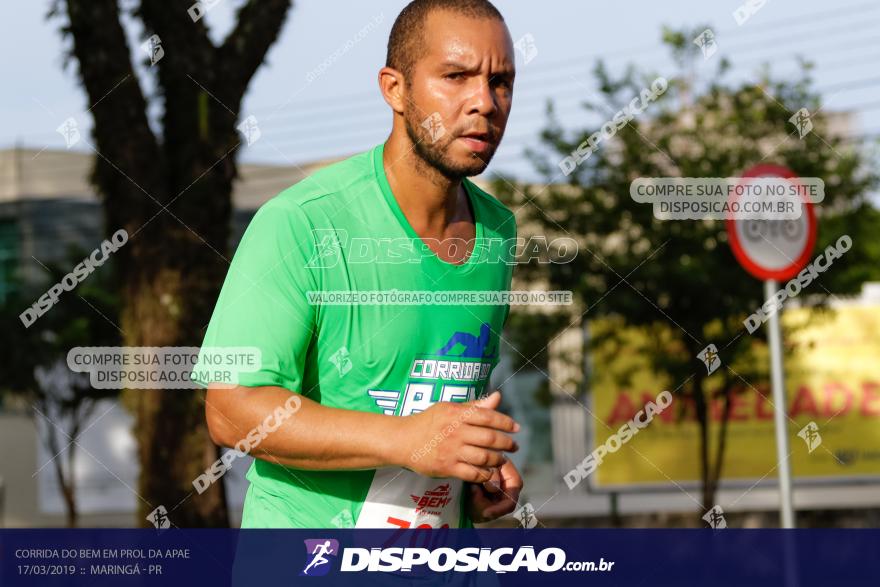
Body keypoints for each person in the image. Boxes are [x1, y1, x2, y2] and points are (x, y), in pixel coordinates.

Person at [195, 0, 522, 529]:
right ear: (394, 88)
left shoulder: (498, 231)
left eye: (501, 81)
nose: (483, 101)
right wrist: (406, 441)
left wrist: (471, 470)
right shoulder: (301, 223)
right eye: (456, 76)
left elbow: (433, 401)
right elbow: (232, 410)